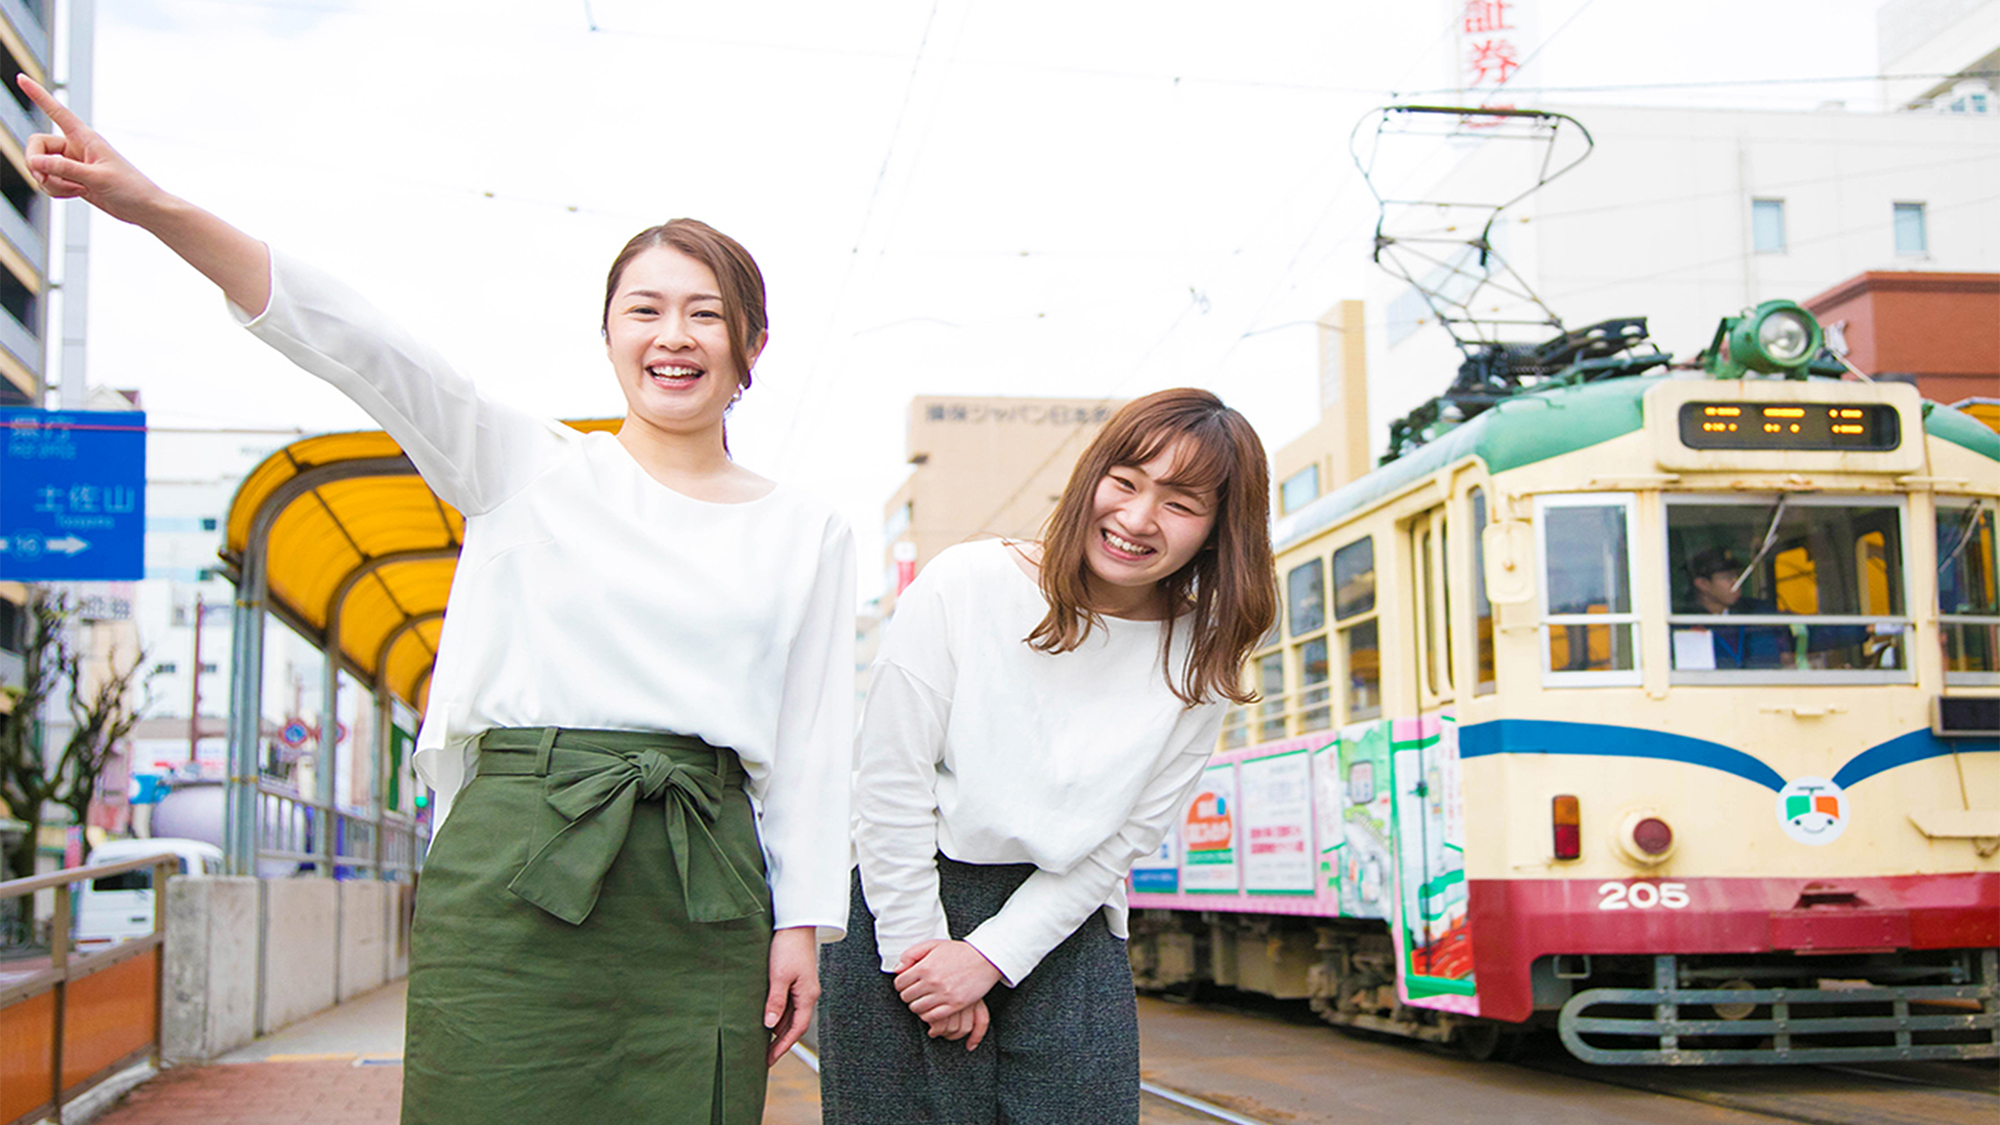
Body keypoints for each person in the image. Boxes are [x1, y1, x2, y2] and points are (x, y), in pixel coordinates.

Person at [19, 76, 853, 1123]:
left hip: (700, 875)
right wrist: (156, 208)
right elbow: (360, 341)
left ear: (750, 349)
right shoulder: (525, 464)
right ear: (607, 337)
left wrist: (799, 927)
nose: (672, 336)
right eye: (644, 310)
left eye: (704, 314)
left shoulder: (807, 527)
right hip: (513, 859)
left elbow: (814, 742)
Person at [818, 389, 1277, 1124]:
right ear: (1091, 476)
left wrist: (990, 958)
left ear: (1221, 531)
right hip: (905, 904)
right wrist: (923, 958)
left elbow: (1124, 839)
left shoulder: (1203, 659)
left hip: (1066, 926)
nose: (1135, 518)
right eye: (1124, 482)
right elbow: (890, 781)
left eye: (1181, 503)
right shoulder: (966, 583)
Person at [1682, 547, 1789, 669]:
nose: (1737, 582)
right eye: (1728, 577)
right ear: (1703, 584)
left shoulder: (1756, 611)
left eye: (1738, 576)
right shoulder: (1684, 622)